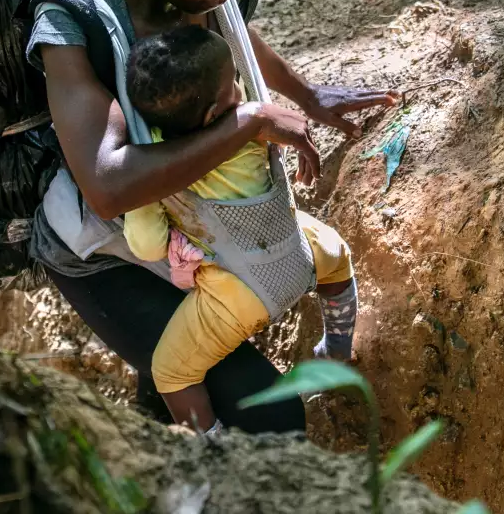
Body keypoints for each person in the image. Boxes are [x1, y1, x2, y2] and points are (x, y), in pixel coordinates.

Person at [27, 0, 397, 434]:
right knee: (267, 413)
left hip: (197, 238)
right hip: (107, 251)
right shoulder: (73, 22)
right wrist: (250, 121)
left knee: (184, 379)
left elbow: (228, 38)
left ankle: (169, 463)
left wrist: (305, 93)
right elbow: (107, 185)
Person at [121, 25, 357, 433]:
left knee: (172, 374)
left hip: (236, 296)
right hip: (303, 254)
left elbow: (146, 245)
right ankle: (336, 348)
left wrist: (169, 236)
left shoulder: (156, 166)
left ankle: (214, 447)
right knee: (338, 258)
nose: (240, 85)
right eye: (234, 79)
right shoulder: (254, 128)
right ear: (215, 112)